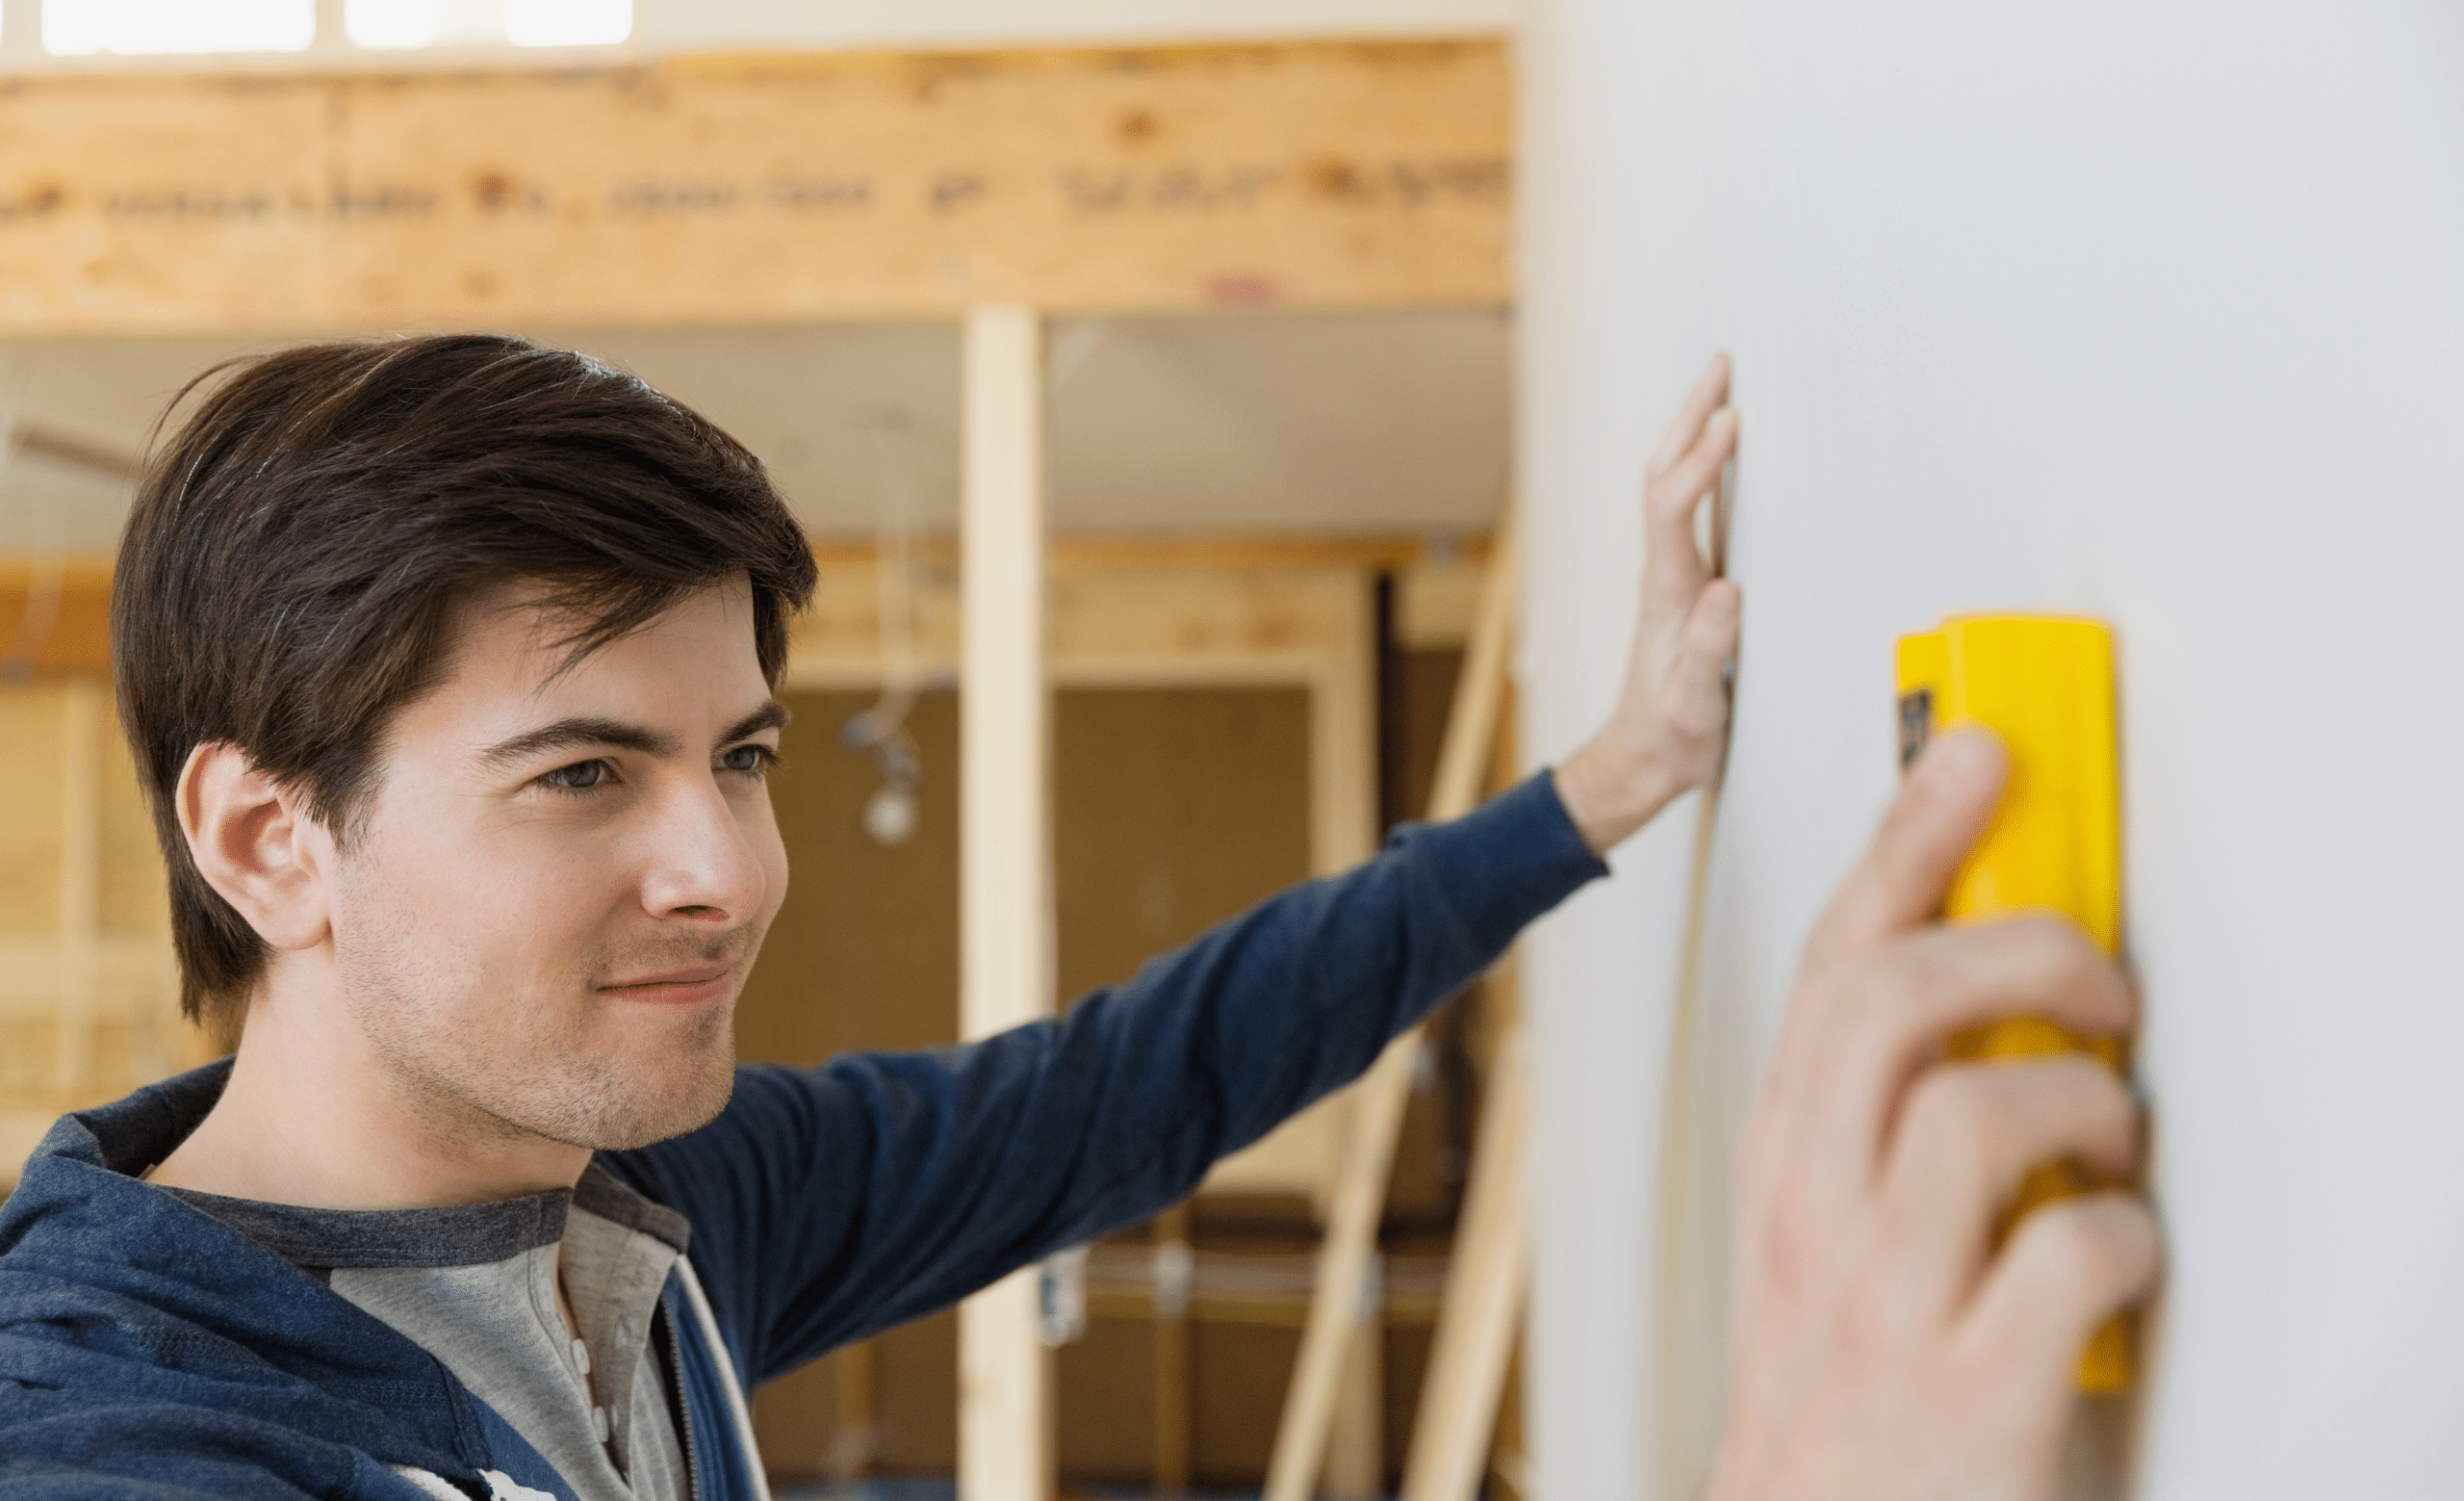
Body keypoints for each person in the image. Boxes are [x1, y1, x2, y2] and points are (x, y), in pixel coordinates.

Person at [0, 337, 2154, 1501]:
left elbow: (1131, 1080)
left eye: (739, 754)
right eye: (583, 771)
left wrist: (1602, 781)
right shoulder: (117, 1431)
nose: (729, 868)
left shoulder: (642, 1217)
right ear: (268, 839)